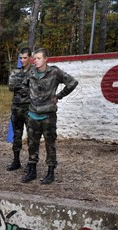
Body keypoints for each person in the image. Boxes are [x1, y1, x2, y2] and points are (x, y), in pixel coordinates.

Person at [22, 48, 78, 185]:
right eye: (34, 58)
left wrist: (59, 96)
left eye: (39, 58)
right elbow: (24, 86)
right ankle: (32, 170)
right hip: (33, 114)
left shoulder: (54, 72)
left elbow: (72, 82)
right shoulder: (31, 72)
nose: (36, 61)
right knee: (32, 144)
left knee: (50, 144)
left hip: (48, 115)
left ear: (46, 59)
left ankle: (50, 171)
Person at [7, 48, 33, 171]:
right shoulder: (16, 71)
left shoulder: (35, 72)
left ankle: (31, 162)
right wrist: (24, 84)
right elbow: (10, 86)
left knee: (31, 136)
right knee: (16, 135)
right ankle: (16, 160)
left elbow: (36, 87)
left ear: (30, 58)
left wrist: (20, 84)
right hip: (16, 107)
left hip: (29, 108)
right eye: (21, 58)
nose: (22, 60)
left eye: (25, 58)